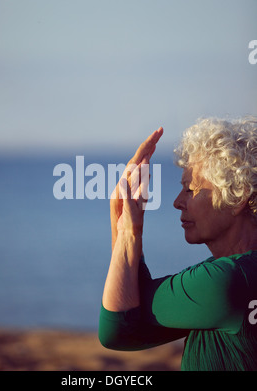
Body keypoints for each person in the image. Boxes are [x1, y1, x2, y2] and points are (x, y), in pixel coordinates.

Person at [98, 117, 257, 371]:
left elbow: (118, 327)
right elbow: (130, 326)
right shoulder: (242, 275)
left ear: (237, 197)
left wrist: (127, 229)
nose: (177, 202)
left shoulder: (227, 282)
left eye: (190, 189)